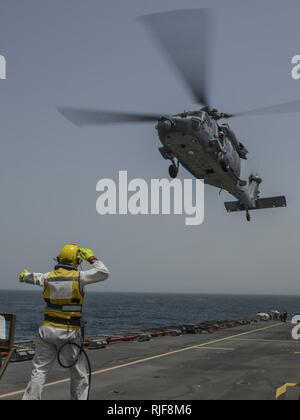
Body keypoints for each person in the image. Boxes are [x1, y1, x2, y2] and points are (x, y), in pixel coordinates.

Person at [19, 244, 109, 400]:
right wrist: (91, 258)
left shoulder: (47, 277)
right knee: (78, 374)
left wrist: (25, 275)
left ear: (60, 259)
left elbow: (28, 277)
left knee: (39, 371)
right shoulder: (80, 277)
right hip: (69, 332)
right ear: (76, 260)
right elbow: (103, 273)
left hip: (46, 330)